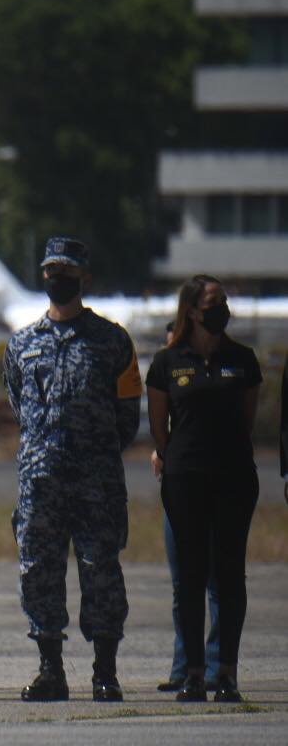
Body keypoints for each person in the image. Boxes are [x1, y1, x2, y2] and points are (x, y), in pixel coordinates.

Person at [4, 237, 140, 702]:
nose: (57, 277)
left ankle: (105, 671)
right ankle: (50, 669)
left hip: (95, 482)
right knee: (38, 571)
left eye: (66, 270)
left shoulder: (112, 341)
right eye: (50, 270)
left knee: (100, 570)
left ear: (83, 276)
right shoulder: (21, 344)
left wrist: (91, 451)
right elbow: (20, 406)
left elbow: (127, 416)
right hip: (39, 484)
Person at [148, 274, 263, 704]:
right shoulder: (167, 362)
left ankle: (227, 673)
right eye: (213, 302)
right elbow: (160, 428)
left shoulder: (243, 359)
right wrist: (176, 457)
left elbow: (247, 420)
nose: (221, 309)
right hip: (185, 480)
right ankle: (194, 674)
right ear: (193, 310)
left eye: (224, 302)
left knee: (230, 575)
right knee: (190, 577)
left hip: (233, 477)